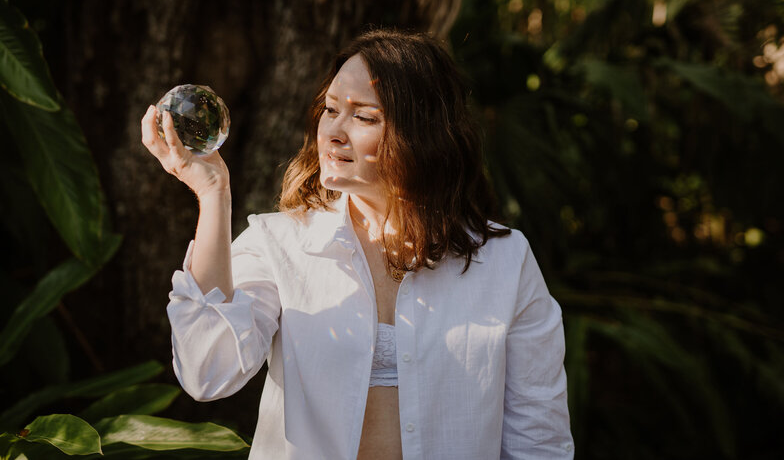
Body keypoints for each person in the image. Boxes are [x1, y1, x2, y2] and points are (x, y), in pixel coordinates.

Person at [141, 29, 574, 460]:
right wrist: (213, 194)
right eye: (330, 110)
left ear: (424, 134)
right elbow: (207, 372)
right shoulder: (280, 243)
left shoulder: (505, 261)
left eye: (364, 117)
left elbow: (539, 441)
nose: (333, 131)